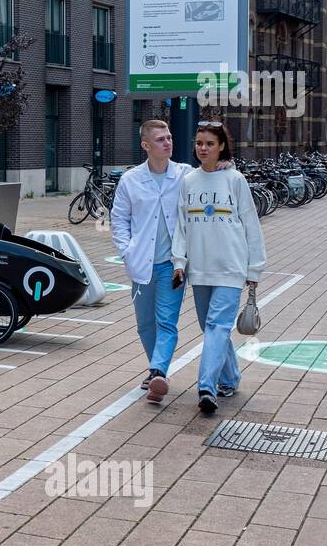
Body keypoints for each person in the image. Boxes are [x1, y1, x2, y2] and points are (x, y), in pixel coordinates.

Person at [171, 121, 267, 417]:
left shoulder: (234, 179)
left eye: (210, 144)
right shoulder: (188, 181)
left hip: (231, 267)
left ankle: (206, 387)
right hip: (199, 268)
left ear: (221, 146)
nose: (203, 148)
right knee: (210, 328)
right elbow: (181, 225)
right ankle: (230, 377)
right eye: (199, 143)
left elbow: (251, 224)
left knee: (217, 326)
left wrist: (255, 269)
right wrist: (179, 262)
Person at [111, 120, 193, 404]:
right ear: (146, 145)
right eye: (160, 139)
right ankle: (156, 371)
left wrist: (224, 166)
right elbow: (119, 219)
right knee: (145, 324)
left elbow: (212, 178)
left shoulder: (185, 175)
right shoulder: (130, 180)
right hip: (142, 265)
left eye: (169, 137)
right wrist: (126, 250)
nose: (168, 142)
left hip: (174, 266)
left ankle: (158, 371)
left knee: (166, 321)